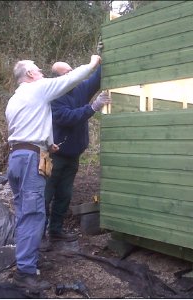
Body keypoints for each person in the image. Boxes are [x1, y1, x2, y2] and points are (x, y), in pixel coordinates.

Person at [5, 54, 101, 292]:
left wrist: (48, 144)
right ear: (29, 74)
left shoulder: (15, 99)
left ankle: (26, 259)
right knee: (34, 214)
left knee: (25, 212)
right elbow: (73, 79)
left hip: (17, 156)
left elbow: (28, 127)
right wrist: (92, 62)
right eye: (38, 69)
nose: (41, 72)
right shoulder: (37, 88)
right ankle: (25, 272)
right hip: (29, 160)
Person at [43, 60, 111, 243]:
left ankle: (56, 231)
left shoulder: (80, 88)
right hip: (53, 155)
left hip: (73, 154)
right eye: (66, 72)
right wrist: (93, 107)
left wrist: (105, 55)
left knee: (65, 195)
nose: (72, 74)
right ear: (58, 78)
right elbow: (66, 117)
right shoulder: (54, 96)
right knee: (45, 196)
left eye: (72, 70)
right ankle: (39, 236)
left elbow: (96, 79)